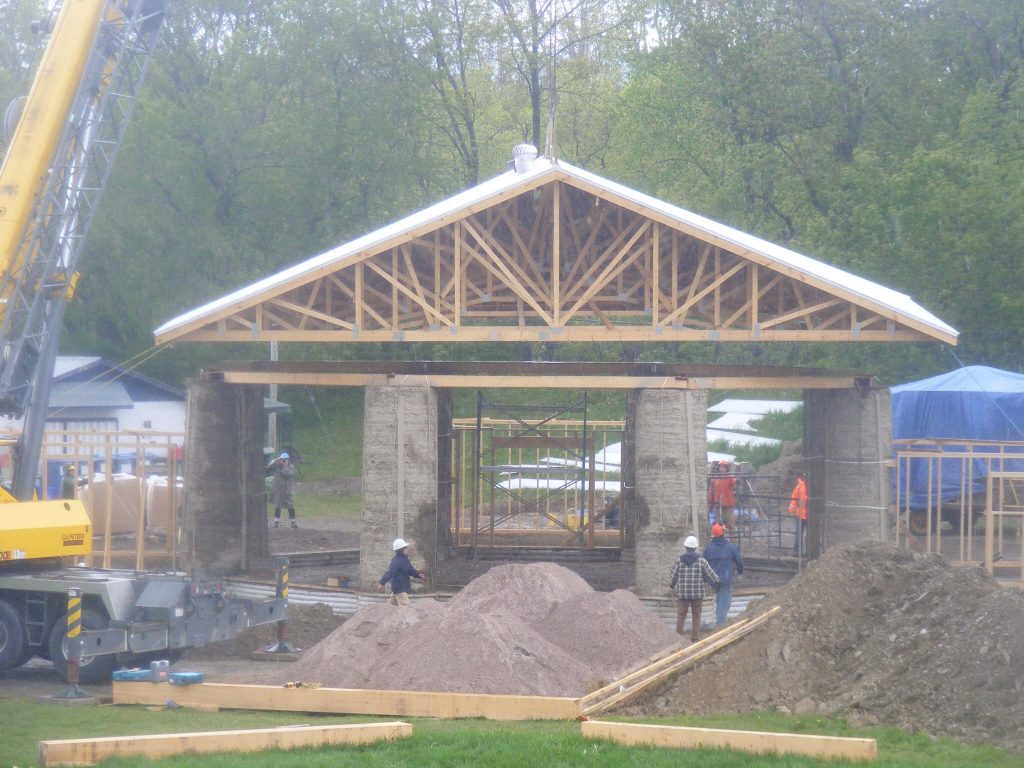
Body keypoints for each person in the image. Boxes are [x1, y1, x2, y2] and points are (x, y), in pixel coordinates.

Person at [668, 534, 720, 642]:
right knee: (696, 616)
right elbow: (711, 575)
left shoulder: (679, 561)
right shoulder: (702, 561)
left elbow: (673, 576)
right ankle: (695, 638)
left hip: (683, 595)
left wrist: (672, 585)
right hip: (697, 595)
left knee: (681, 616)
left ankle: (678, 639)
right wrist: (718, 581)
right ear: (695, 547)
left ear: (685, 547)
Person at [703, 522, 744, 628]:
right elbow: (739, 561)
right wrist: (740, 573)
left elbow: (703, 563)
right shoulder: (730, 547)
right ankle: (720, 625)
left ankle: (719, 620)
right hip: (725, 579)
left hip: (712, 580)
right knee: (724, 601)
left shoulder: (709, 549)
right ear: (723, 533)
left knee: (720, 599)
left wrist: (705, 578)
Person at [376, 538, 426, 606]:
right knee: (406, 608)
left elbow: (410, 569)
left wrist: (418, 574)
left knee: (390, 607)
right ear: (400, 550)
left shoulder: (404, 559)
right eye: (405, 548)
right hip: (400, 588)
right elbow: (390, 572)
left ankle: (386, 615)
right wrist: (382, 583)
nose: (407, 549)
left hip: (398, 588)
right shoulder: (397, 561)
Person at [267, 452, 297, 528]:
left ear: (288, 460)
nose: (283, 461)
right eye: (282, 460)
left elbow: (288, 475)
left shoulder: (291, 467)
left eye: (285, 460)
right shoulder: (277, 466)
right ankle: (276, 522)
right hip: (278, 490)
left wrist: (284, 467)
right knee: (278, 506)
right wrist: (277, 459)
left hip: (287, 490)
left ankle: (293, 522)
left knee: (290, 506)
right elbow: (270, 465)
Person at [711, 462, 737, 529]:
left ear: (727, 468)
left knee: (730, 523)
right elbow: (712, 490)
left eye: (723, 467)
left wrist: (734, 479)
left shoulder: (730, 477)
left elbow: (734, 481)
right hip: (717, 503)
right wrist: (711, 501)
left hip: (728, 503)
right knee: (717, 524)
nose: (721, 469)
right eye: (720, 467)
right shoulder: (715, 478)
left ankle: (733, 539)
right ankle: (718, 538)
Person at [788, 471, 807, 555]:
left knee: (799, 532)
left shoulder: (798, 487)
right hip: (809, 514)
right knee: (808, 533)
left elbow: (793, 500)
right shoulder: (811, 486)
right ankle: (807, 551)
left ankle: (798, 551)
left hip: (800, 514)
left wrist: (791, 511)